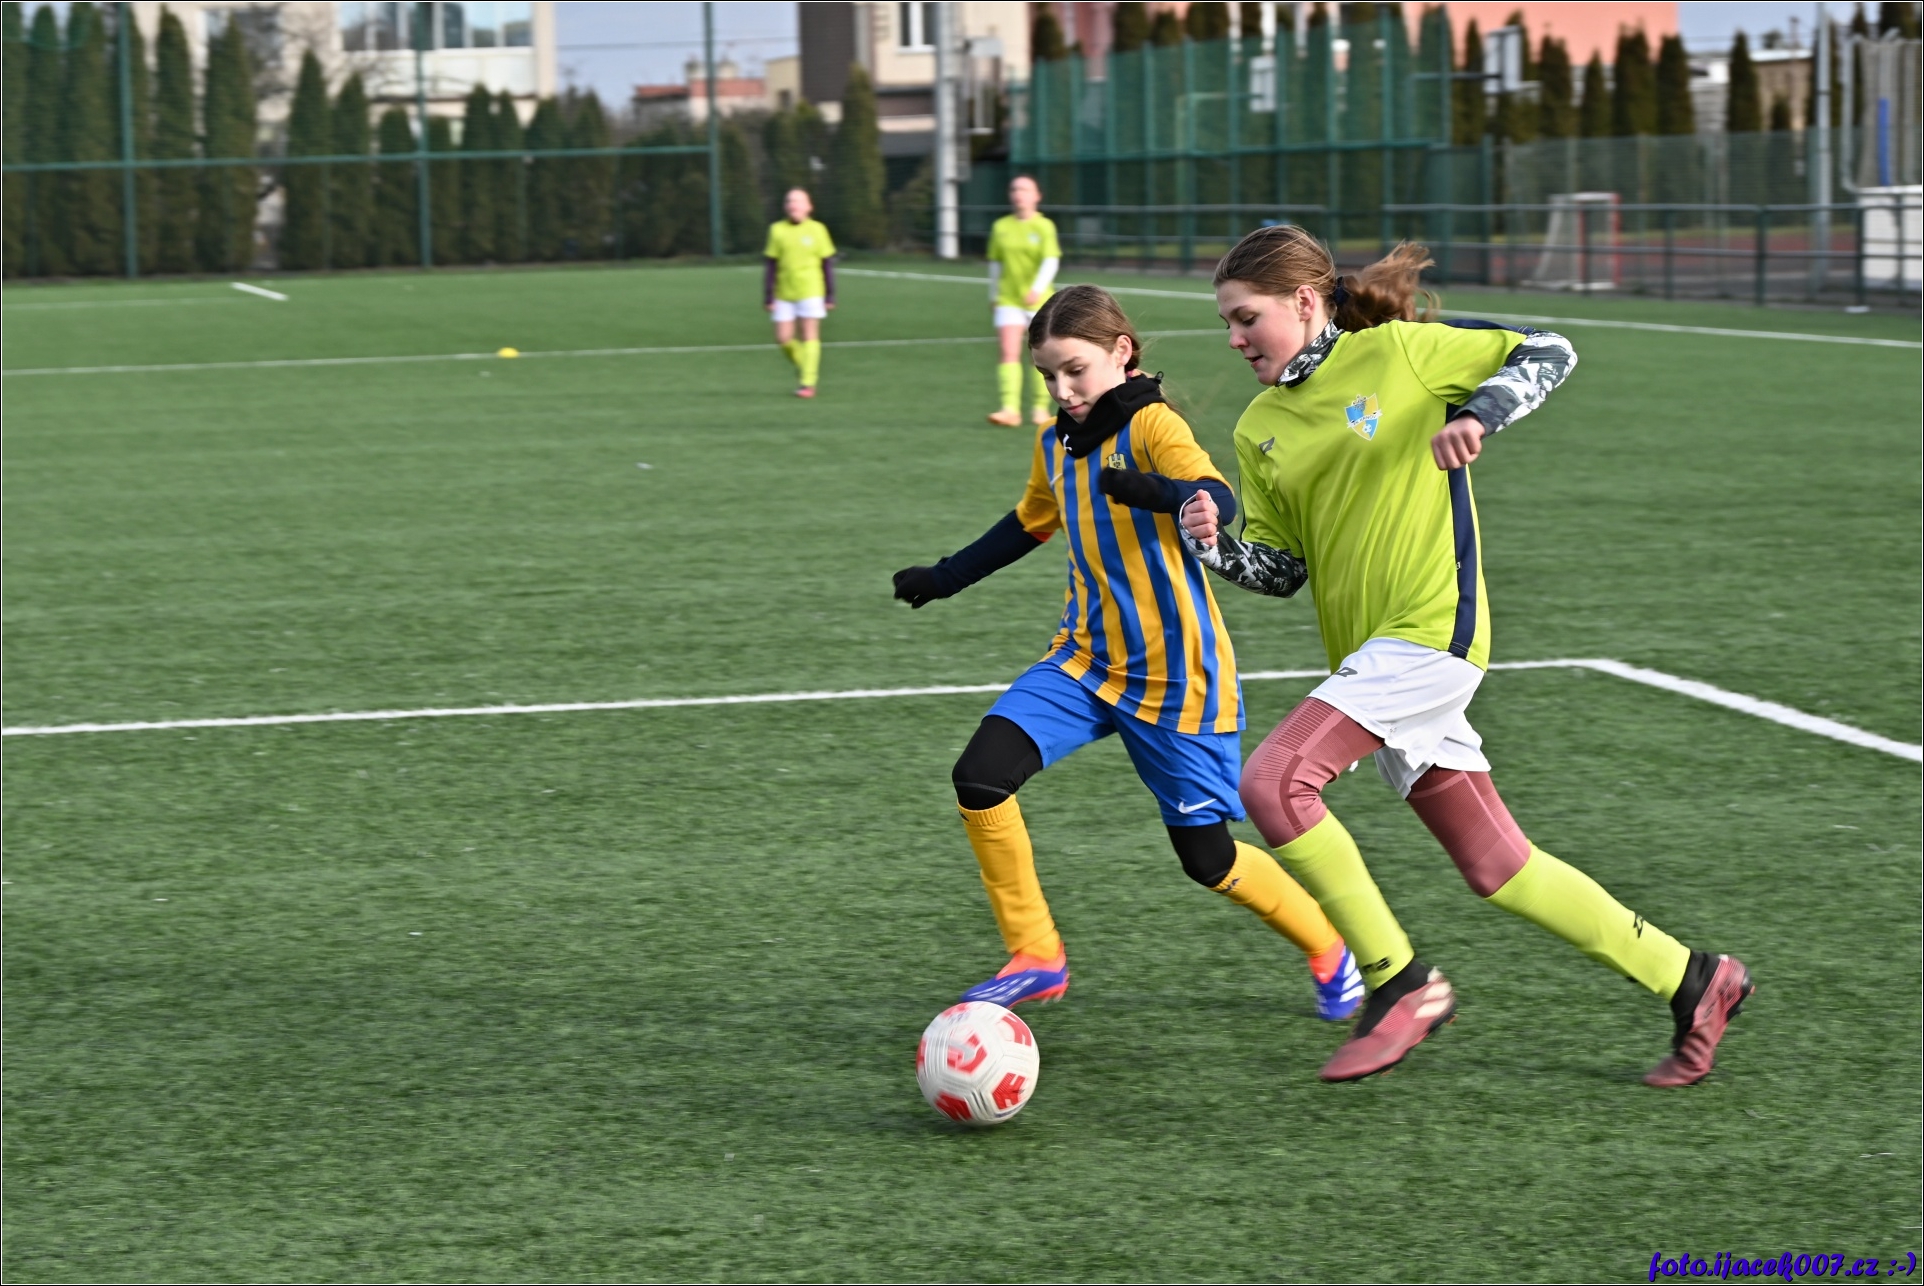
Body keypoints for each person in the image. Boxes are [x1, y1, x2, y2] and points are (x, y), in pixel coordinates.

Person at [1154, 225, 1750, 1085]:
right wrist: (1213, 546)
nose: (1236, 339)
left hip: (1433, 632)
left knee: (1274, 783)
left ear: (1305, 301)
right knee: (1497, 866)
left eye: (1247, 318)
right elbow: (1283, 570)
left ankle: (1399, 984)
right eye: (1227, 325)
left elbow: (1550, 349)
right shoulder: (1260, 428)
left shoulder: (1400, 352)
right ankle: (1694, 979)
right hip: (1374, 661)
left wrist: (1477, 413)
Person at [893, 284, 1365, 1021]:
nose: (1062, 389)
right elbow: (1029, 523)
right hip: (1083, 662)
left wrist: (1171, 496)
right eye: (1048, 376)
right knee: (980, 778)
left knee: (1208, 860)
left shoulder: (1151, 423)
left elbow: (1211, 495)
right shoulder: (1055, 444)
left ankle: (1330, 950)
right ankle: (1036, 956)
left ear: (1121, 352)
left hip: (1178, 679)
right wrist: (945, 576)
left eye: (1075, 370)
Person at [984, 175, 1062, 428]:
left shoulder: (1044, 226)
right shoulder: (1001, 226)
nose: (1019, 194)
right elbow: (996, 264)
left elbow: (1051, 261)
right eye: (1015, 189)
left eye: (1025, 189)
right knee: (1008, 351)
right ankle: (1009, 409)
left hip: (1040, 302)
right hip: (1008, 299)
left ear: (1037, 196)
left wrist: (1036, 289)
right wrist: (994, 295)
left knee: (1038, 356)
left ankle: (1040, 408)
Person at [763, 188, 836, 399]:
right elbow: (771, 264)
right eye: (789, 201)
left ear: (808, 207)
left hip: (811, 290)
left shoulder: (818, 229)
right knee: (783, 338)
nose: (793, 205)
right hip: (784, 292)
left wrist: (830, 295)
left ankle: (808, 383)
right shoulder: (776, 230)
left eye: (798, 201)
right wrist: (768, 295)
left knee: (809, 334)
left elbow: (827, 264)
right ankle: (806, 367)